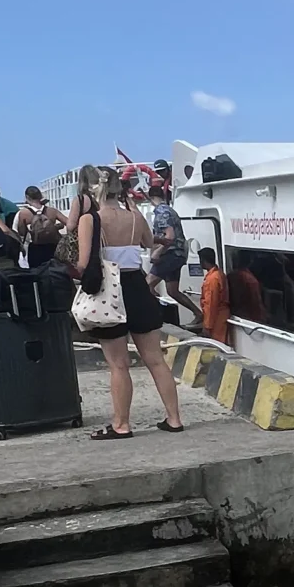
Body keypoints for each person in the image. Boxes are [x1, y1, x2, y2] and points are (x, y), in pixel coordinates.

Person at [73, 167, 185, 439]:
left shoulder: (90, 220)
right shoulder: (135, 217)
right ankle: (174, 419)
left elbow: (84, 263)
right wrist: (132, 208)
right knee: (156, 360)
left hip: (110, 291)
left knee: (118, 364)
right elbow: (148, 244)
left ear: (93, 190)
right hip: (138, 287)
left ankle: (121, 424)